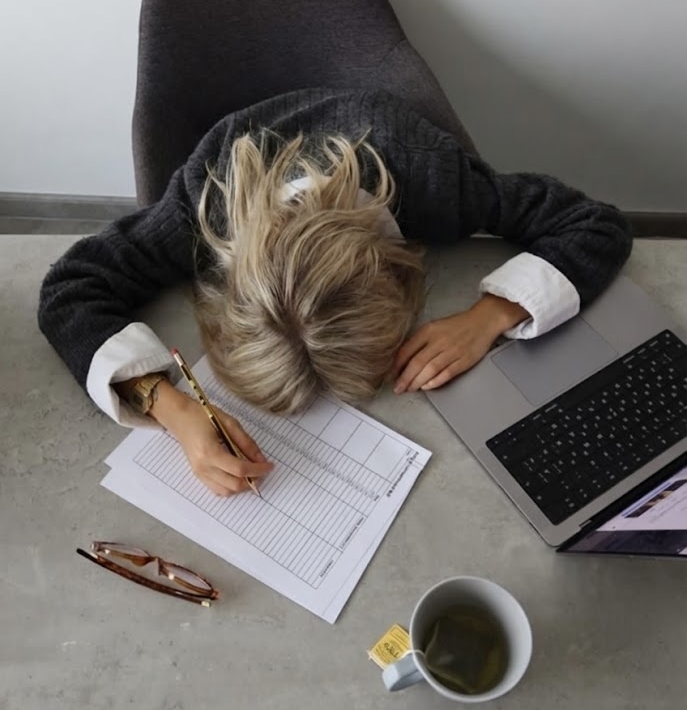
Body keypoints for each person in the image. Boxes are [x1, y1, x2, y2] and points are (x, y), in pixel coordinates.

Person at [38, 87, 633, 497]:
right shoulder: (205, 201)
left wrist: (489, 315)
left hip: (379, 123)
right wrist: (170, 406)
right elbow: (71, 287)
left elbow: (595, 223)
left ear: (401, 276)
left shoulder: (433, 177)